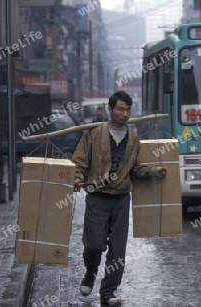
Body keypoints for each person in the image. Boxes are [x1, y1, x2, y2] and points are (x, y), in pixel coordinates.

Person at [71, 91, 167, 306]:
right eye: (120, 109)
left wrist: (153, 171)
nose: (124, 114)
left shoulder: (133, 138)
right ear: (111, 110)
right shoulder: (94, 134)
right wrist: (77, 179)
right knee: (94, 245)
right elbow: (79, 162)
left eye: (127, 110)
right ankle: (90, 273)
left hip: (121, 198)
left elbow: (135, 168)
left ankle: (108, 292)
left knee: (118, 249)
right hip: (97, 197)